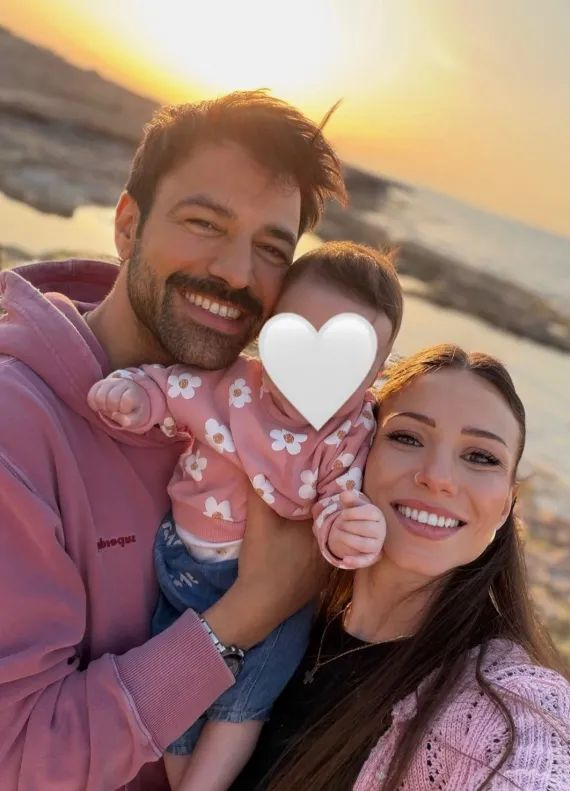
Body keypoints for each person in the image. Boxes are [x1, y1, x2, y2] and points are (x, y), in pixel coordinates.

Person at [0, 90, 348, 791]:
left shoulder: (265, 417)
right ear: (128, 225)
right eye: (205, 223)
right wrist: (249, 611)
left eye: (271, 249)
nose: (237, 273)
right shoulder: (16, 427)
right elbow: (20, 755)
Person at [87, 241, 404, 790]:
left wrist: (350, 529)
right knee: (176, 704)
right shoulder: (233, 385)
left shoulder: (349, 431)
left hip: (283, 596)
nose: (311, 375)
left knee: (244, 703)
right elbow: (168, 387)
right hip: (184, 571)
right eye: (297, 338)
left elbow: (340, 497)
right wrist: (133, 397)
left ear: (375, 372)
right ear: (268, 328)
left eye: (346, 363)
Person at [233, 344, 570, 791]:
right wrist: (244, 614)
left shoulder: (510, 704)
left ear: (506, 506)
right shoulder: (277, 600)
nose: (438, 477)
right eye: (407, 438)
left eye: (481, 457)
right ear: (356, 454)